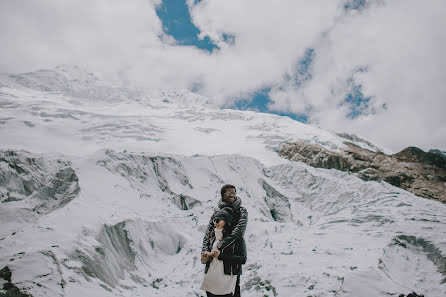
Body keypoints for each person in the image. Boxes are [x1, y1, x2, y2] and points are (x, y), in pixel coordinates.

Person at [202, 184, 248, 297]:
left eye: (234, 192)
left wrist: (220, 245)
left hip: (231, 261)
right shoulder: (216, 213)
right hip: (214, 263)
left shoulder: (241, 211)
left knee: (232, 291)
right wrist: (205, 252)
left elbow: (239, 232)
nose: (232, 194)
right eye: (228, 192)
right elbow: (208, 233)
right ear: (222, 195)